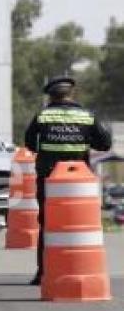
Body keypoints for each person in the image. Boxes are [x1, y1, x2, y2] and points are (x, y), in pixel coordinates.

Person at [24, 76, 111, 285]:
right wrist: (85, 141)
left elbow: (29, 143)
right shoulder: (86, 117)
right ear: (71, 93)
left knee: (47, 224)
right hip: (77, 185)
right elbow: (105, 144)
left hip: (49, 179)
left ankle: (43, 272)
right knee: (79, 227)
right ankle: (80, 271)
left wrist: (46, 151)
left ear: (51, 96)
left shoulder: (43, 116)